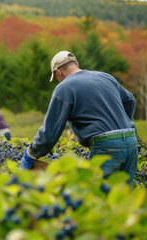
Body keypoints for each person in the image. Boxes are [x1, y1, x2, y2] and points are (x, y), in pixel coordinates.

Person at [20, 51, 137, 186]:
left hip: (107, 146)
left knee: (99, 197)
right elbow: (130, 101)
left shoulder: (64, 88)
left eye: (56, 77)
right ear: (76, 64)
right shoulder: (106, 77)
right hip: (131, 141)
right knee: (123, 196)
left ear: (58, 72)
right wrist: (123, 126)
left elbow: (50, 132)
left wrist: (31, 153)